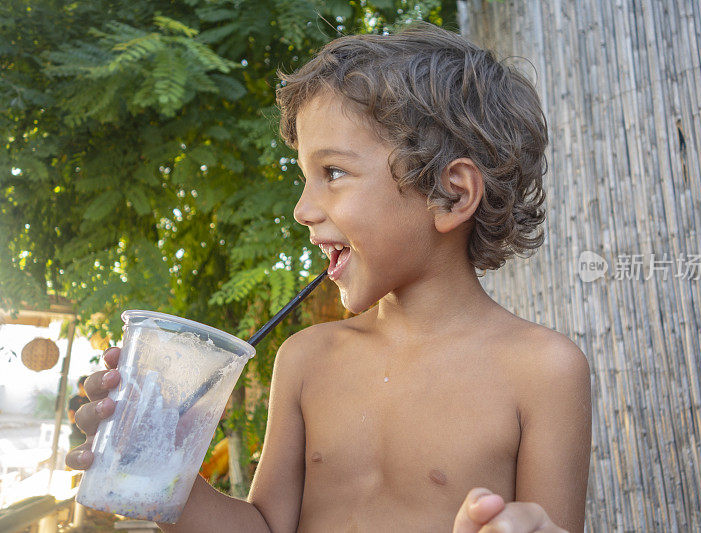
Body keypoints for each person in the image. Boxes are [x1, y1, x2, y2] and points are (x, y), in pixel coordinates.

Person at [66, 22, 591, 532]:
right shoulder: (305, 359)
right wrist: (160, 471)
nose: (301, 209)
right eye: (303, 177)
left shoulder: (543, 371)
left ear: (451, 193)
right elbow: (266, 526)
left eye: (333, 173)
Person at [67, 375, 90, 450]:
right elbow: (71, 419)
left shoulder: (91, 400)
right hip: (76, 436)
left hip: (89, 437)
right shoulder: (74, 400)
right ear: (80, 385)